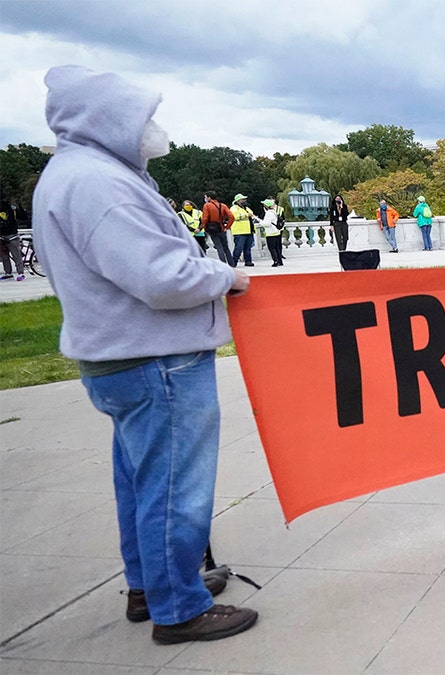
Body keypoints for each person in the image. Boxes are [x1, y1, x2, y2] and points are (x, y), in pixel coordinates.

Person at [31, 65, 256, 645]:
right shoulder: (98, 183)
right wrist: (225, 276)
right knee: (175, 486)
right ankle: (179, 606)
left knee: (141, 481)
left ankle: (149, 586)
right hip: (157, 360)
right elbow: (161, 277)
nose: (153, 128)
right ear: (109, 122)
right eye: (143, 118)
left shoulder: (78, 174)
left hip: (124, 357)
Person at [201, 191, 233, 264]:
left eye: (205, 197)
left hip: (212, 228)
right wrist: (227, 226)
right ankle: (231, 263)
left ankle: (223, 263)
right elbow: (231, 216)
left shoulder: (207, 206)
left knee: (219, 247)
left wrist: (205, 227)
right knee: (226, 247)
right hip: (221, 227)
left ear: (209, 197)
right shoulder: (222, 205)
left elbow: (205, 218)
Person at [0, 198, 25, 281]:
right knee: (5, 257)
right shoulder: (9, 208)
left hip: (12, 235)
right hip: (3, 236)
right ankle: (8, 273)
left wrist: (18, 208)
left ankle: (20, 272)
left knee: (16, 255)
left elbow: (23, 216)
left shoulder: (12, 209)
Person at [260, 198, 284, 266]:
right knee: (277, 248)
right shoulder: (274, 212)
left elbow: (266, 224)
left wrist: (260, 222)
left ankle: (275, 261)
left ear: (266, 206)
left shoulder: (268, 213)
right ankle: (280, 261)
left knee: (272, 248)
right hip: (276, 232)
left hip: (271, 233)